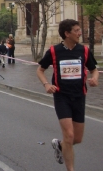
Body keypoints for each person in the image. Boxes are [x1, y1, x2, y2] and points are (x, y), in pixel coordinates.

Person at [36, 19, 99, 170]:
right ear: (67, 33)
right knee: (69, 136)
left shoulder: (83, 51)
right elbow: (40, 70)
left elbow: (94, 69)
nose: (80, 33)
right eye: (77, 30)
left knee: (76, 138)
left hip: (79, 96)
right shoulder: (54, 51)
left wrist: (95, 78)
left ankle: (60, 145)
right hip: (61, 96)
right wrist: (46, 84)